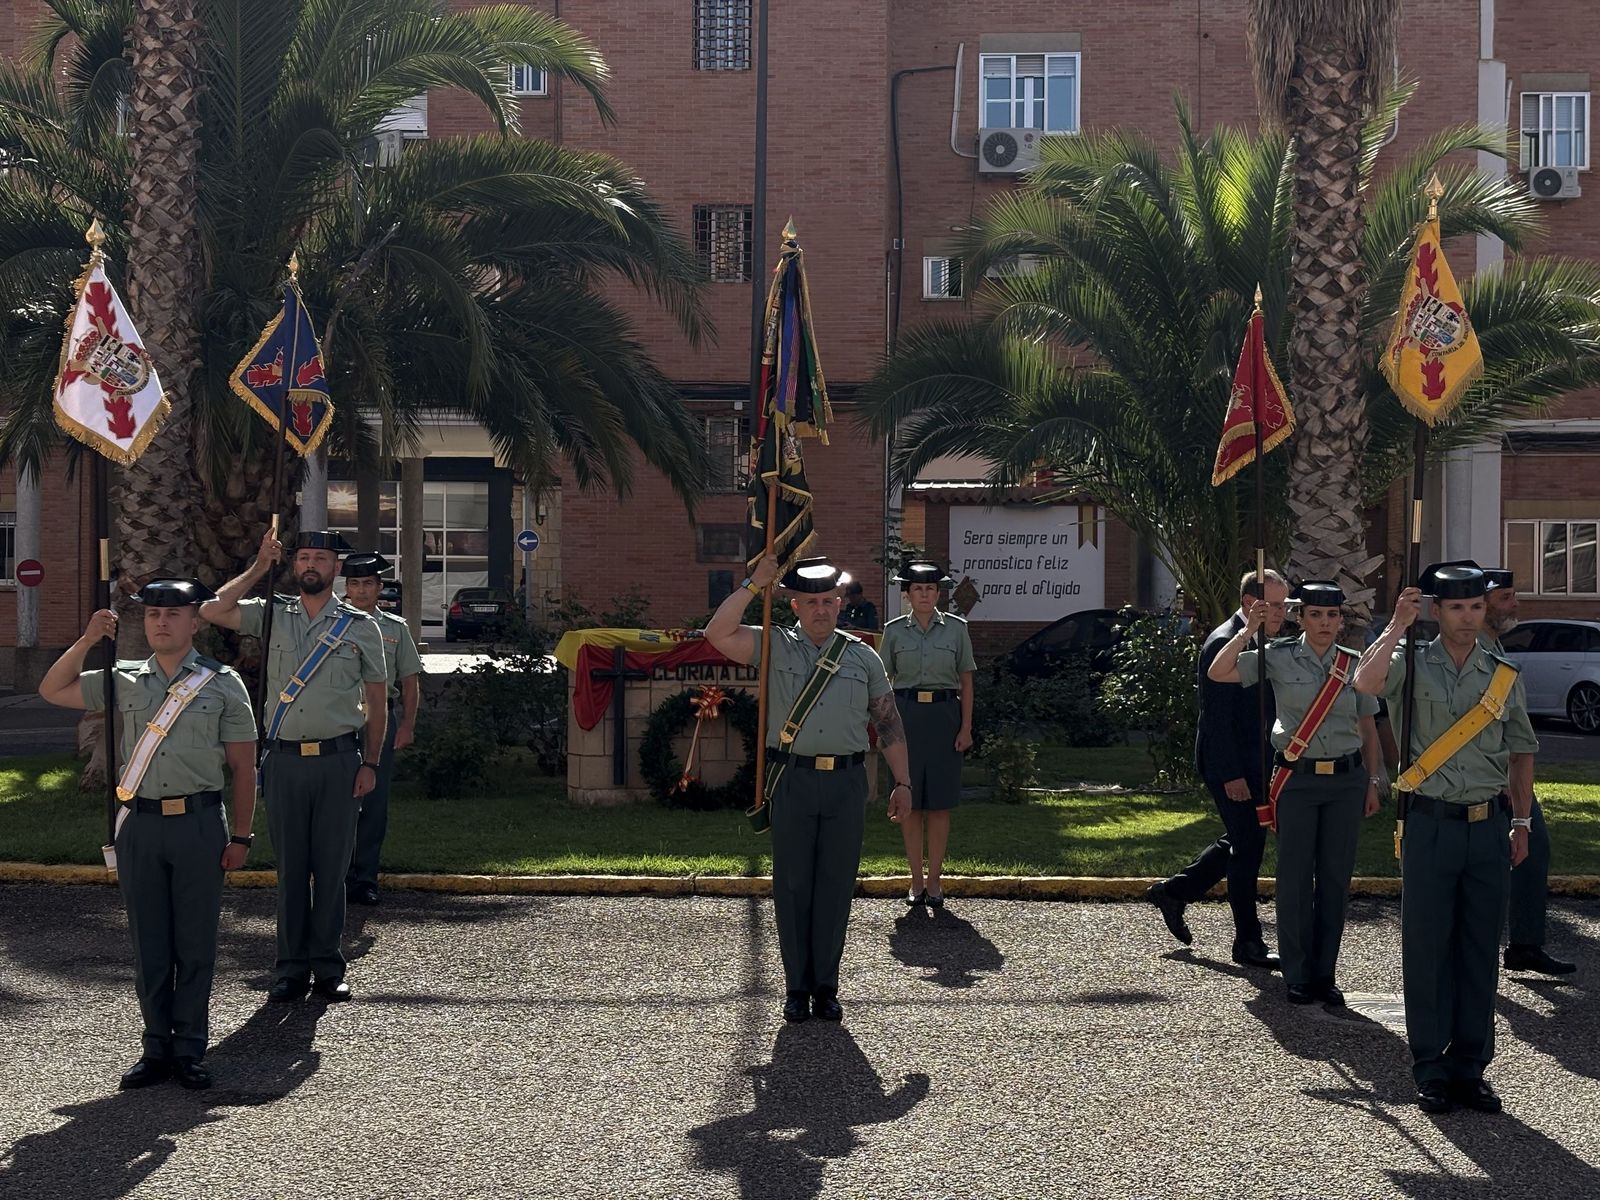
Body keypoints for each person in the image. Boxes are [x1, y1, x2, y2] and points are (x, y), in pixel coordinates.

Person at [37, 580, 257, 1091]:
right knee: (150, 944)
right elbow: (52, 689)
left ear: (194, 622)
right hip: (141, 826)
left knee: (195, 945)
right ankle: (156, 1048)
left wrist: (242, 836)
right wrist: (88, 638)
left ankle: (190, 1049)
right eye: (154, 613)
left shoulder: (222, 683)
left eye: (173, 614)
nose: (161, 621)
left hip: (199, 825)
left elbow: (244, 768)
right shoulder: (123, 678)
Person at [1355, 563, 1538, 1115]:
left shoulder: (1503, 674)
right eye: (1456, 607)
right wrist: (1396, 625)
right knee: (1428, 948)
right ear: (1437, 611)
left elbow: (1521, 752)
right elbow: (1364, 684)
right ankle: (1430, 1067)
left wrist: (1522, 822)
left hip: (1487, 827)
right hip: (1429, 825)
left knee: (1480, 950)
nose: (1467, 617)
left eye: (1476, 607)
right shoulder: (1410, 662)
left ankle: (1470, 1067)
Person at [706, 554, 913, 1024]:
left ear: (840, 604)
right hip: (793, 780)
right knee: (794, 885)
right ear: (795, 605)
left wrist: (902, 782)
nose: (821, 609)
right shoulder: (773, 645)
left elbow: (888, 723)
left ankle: (826, 987)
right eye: (811, 602)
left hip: (846, 782)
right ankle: (797, 988)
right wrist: (753, 585)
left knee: (836, 887)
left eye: (829, 601)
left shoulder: (863, 656)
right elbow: (717, 634)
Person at [202, 529, 387, 1003]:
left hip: (338, 761)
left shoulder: (360, 626)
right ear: (294, 564)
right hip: (284, 761)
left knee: (331, 869)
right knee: (291, 871)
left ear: (335, 568)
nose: (310, 565)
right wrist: (259, 565)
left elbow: (377, 702)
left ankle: (327, 965)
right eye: (303, 557)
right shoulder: (272, 613)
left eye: (320, 558)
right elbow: (212, 609)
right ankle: (289, 968)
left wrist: (371, 762)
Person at [1207, 581, 1382, 1005]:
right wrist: (1249, 630)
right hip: (1297, 781)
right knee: (1295, 878)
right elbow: (1218, 672)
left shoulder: (1353, 663)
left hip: (1346, 782)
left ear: (1340, 620)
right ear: (1299, 618)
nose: (1324, 623)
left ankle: (1325, 974)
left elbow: (1368, 727)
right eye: (1315, 615)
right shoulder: (1277, 655)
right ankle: (1298, 973)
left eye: (1332, 615)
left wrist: (1374, 779)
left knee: (1336, 880)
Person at [1146, 569, 1286, 969]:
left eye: (1285, 604)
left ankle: (1174, 891)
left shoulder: (1262, 638)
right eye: (1276, 605)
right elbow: (1216, 719)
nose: (1283, 612)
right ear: (1251, 604)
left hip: (1256, 760)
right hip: (1230, 764)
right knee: (1248, 848)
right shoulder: (1225, 642)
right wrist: (1231, 774)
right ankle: (1248, 944)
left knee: (1243, 838)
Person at [1481, 566, 1575, 976]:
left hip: (1509, 773)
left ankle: (1524, 945)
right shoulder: (1471, 652)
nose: (1515, 604)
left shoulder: (1496, 649)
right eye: (1505, 598)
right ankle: (1480, 958)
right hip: (1482, 779)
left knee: (1533, 851)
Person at [878, 561, 975, 908]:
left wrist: (966, 727)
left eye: (930, 589)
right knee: (910, 804)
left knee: (939, 805)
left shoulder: (956, 629)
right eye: (917, 589)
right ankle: (916, 880)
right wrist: (883, 728)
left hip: (944, 716)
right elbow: (882, 684)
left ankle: (935, 880)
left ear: (938, 593)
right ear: (907, 594)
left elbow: (966, 682)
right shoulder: (893, 631)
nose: (924, 594)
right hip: (905, 716)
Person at [339, 552, 422, 906]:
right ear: (346, 588)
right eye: (355, 584)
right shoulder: (331, 624)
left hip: (379, 720)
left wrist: (407, 725)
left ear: (379, 588)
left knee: (374, 802)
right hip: (337, 720)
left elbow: (410, 681)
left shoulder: (394, 628)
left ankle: (365, 878)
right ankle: (337, 876)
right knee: (337, 800)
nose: (361, 590)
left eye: (368, 584)